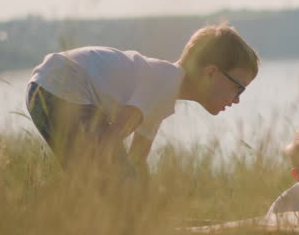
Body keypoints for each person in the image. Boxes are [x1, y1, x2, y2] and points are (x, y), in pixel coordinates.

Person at [25, 24, 259, 180]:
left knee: (100, 181)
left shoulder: (162, 97)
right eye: (238, 87)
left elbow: (138, 158)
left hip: (49, 86)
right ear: (210, 73)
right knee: (116, 180)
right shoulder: (164, 82)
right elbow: (112, 138)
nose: (237, 100)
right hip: (62, 88)